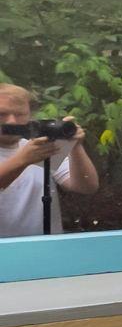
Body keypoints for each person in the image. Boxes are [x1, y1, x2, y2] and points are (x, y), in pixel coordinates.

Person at [0, 83, 101, 238]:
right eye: (2, 114)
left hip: (45, 249)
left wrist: (75, 146)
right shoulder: (32, 152)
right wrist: (23, 159)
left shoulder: (38, 148)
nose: (12, 121)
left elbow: (86, 186)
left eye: (20, 114)